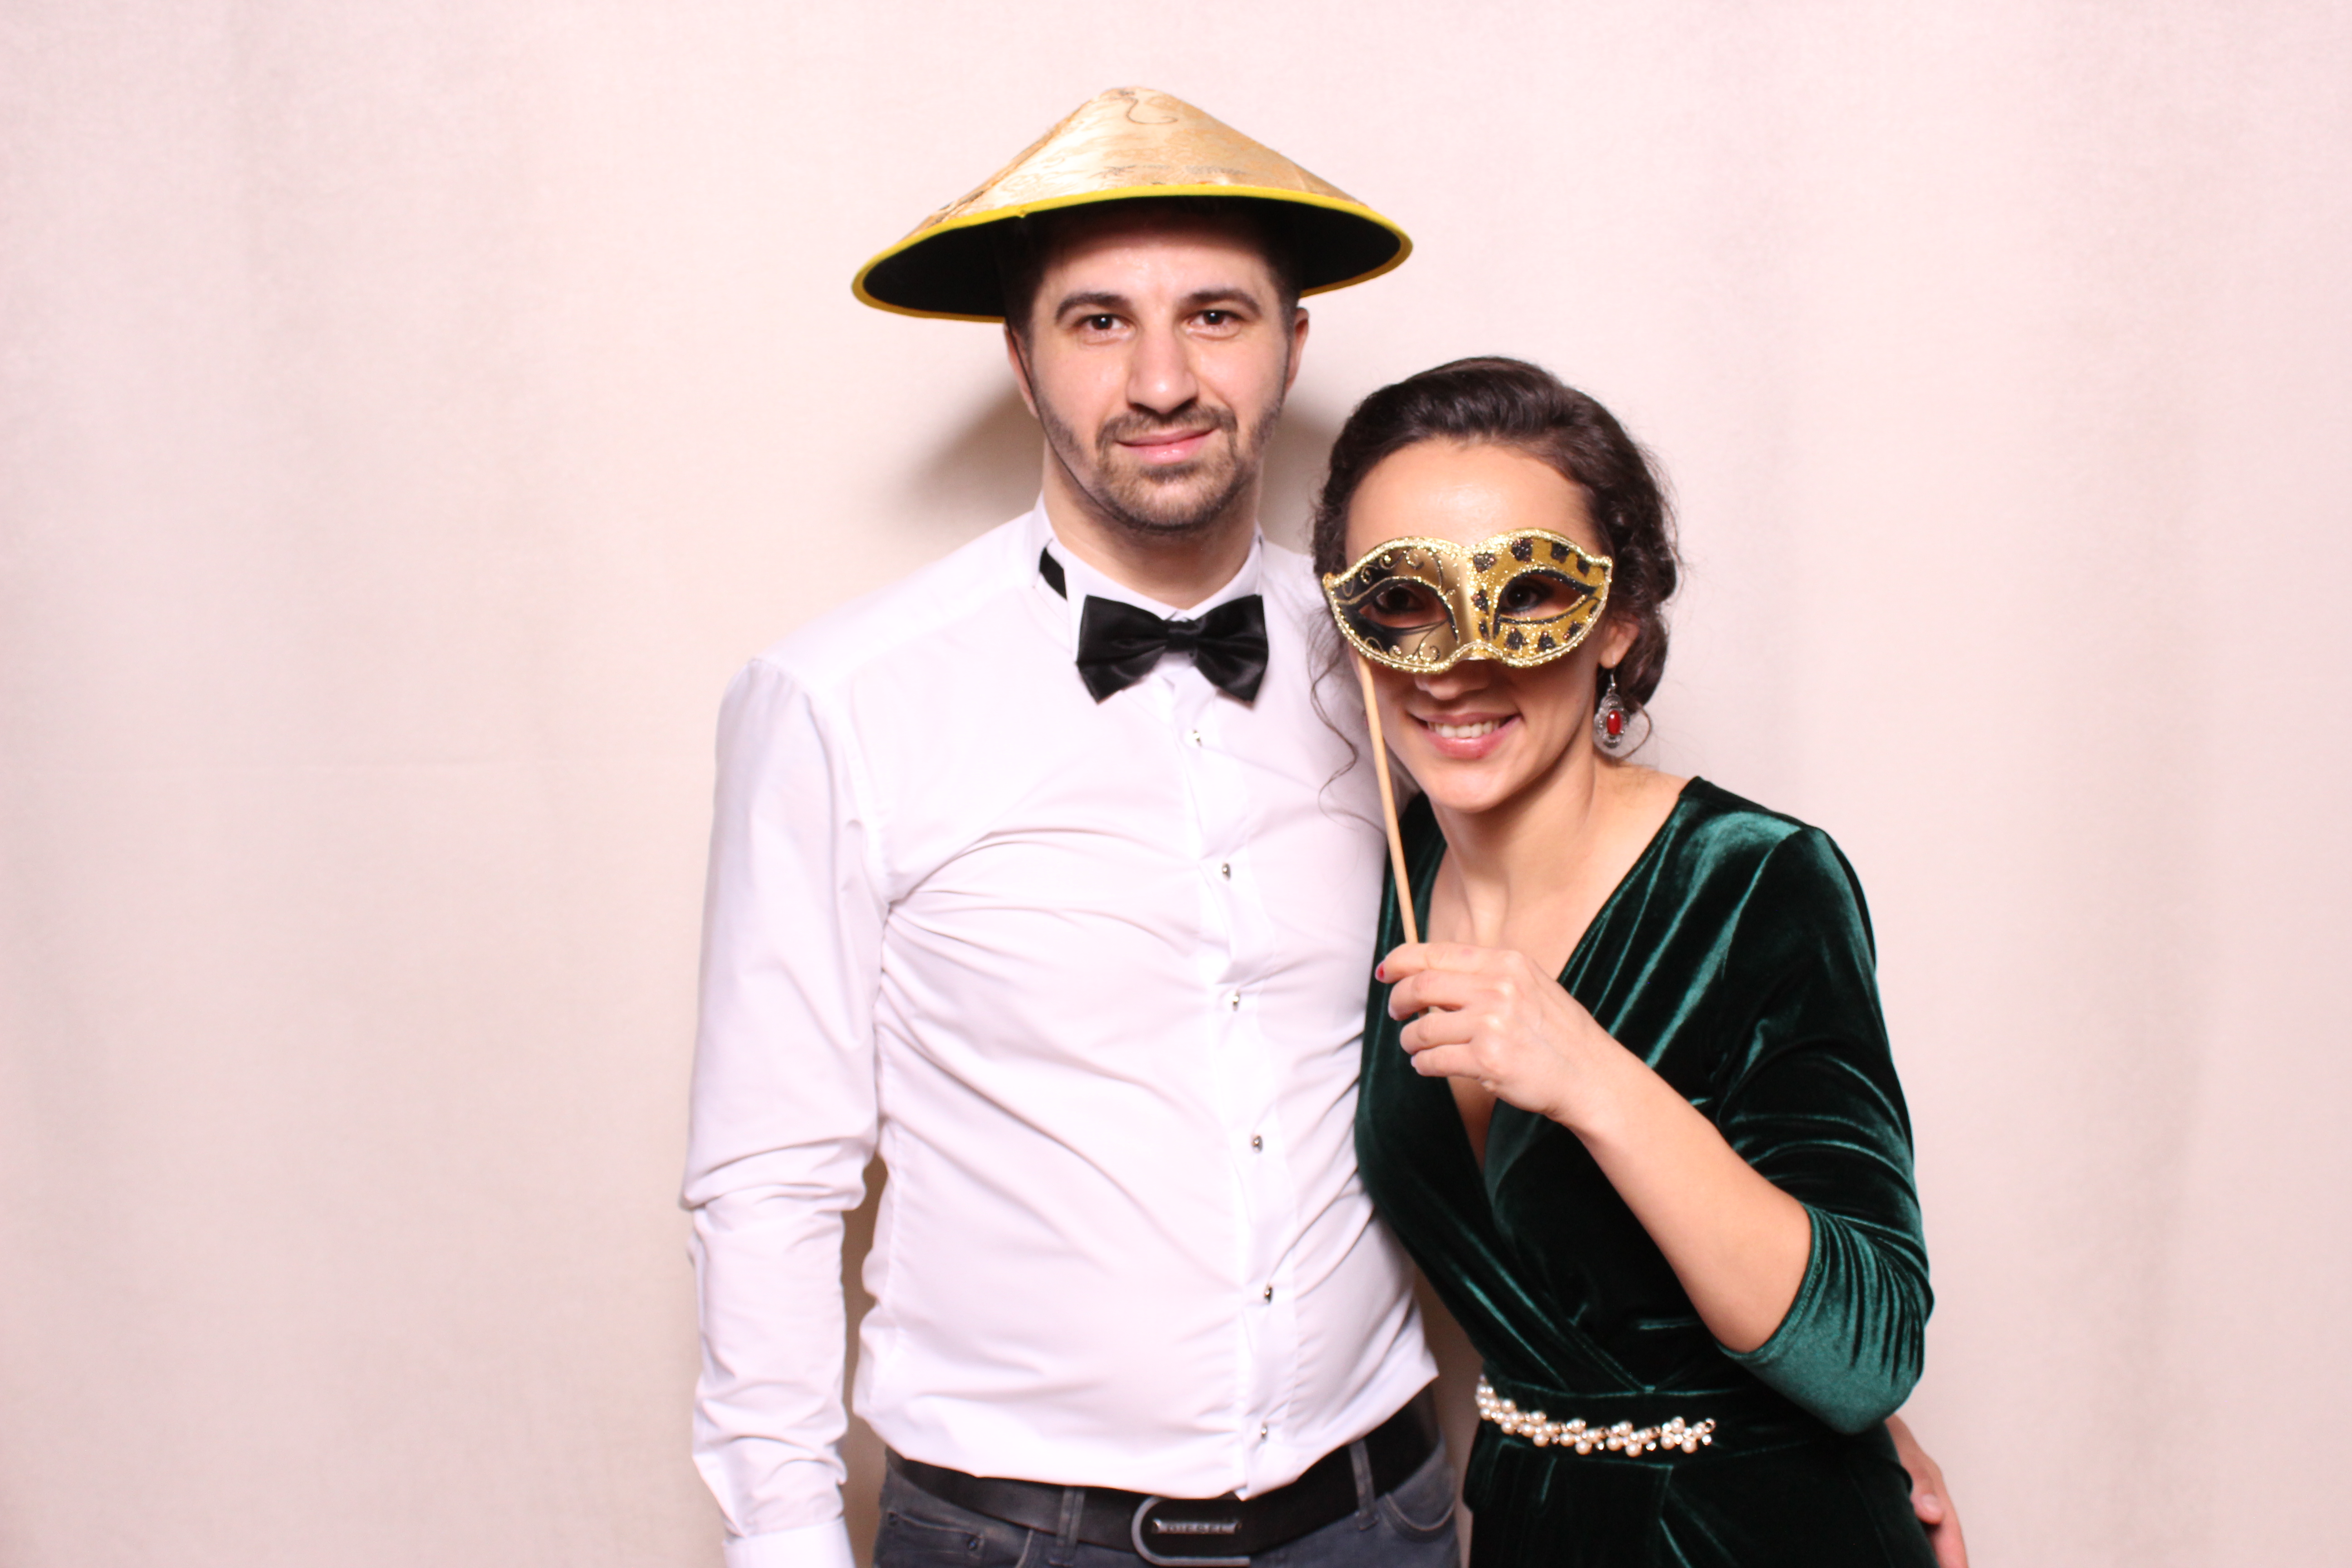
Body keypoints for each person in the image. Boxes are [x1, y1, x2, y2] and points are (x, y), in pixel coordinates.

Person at [683, 87, 1966, 1568]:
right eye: (1098, 322)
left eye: (1216, 316)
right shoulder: (839, 701)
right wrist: (784, 1541)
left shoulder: (1403, 655)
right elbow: (770, 1177)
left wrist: (1827, 1415)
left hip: (1383, 1517)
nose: (1163, 379)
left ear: (1293, 348)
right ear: (1021, 359)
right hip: (1017, 1533)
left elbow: (1640, 1011)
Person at [1316, 356, 1960, 1565]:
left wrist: (1590, 1074)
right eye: (1402, 598)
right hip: (1526, 1528)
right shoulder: (1392, 873)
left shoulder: (1757, 880)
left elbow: (1865, 1355)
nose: (1455, 662)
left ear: (1618, 620)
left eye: (1527, 594)